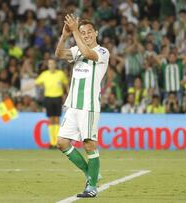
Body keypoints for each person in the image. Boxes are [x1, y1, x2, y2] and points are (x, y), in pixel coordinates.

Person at [55, 15, 110, 198]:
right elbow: (59, 54)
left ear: (96, 33)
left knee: (89, 144)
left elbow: (88, 54)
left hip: (89, 105)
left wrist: (76, 31)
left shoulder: (103, 52)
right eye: (83, 32)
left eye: (88, 32)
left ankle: (92, 187)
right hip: (73, 105)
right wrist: (64, 35)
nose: (85, 35)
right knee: (61, 142)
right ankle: (90, 174)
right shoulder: (77, 49)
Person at [34, 58, 68, 147]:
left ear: (55, 65)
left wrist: (68, 95)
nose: (51, 65)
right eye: (49, 64)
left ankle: (57, 141)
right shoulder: (44, 74)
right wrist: (42, 86)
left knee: (56, 119)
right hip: (48, 97)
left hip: (58, 97)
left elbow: (66, 84)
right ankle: (52, 142)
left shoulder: (60, 74)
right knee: (50, 119)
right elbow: (36, 83)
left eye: (52, 63)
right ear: (48, 65)